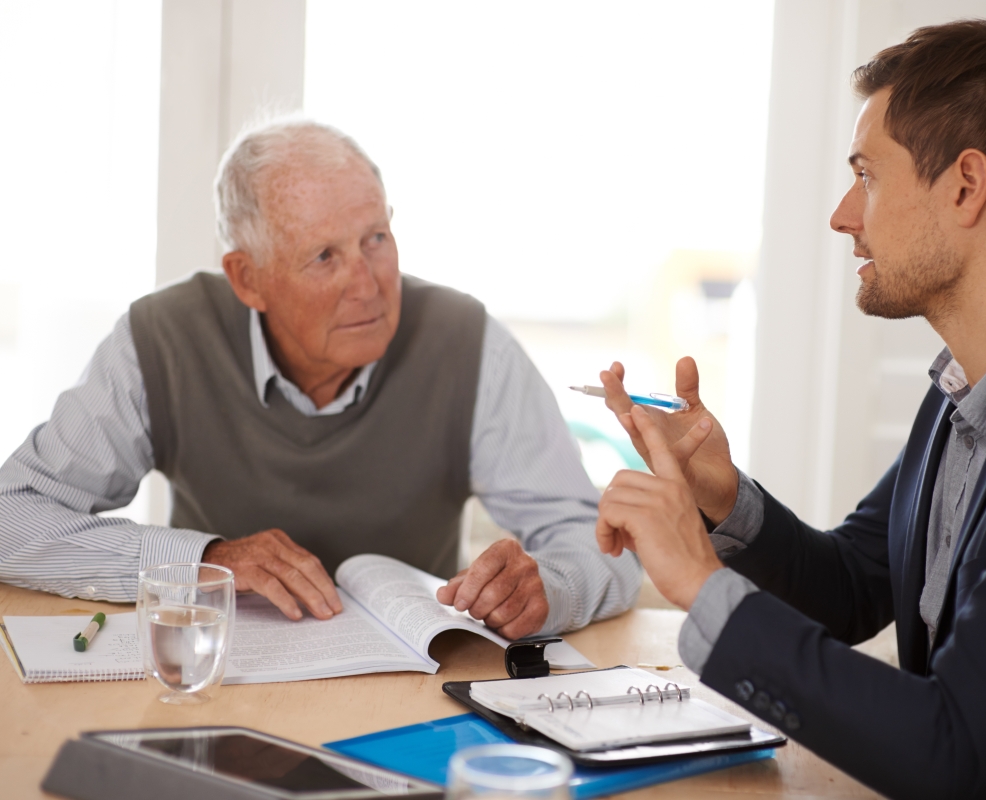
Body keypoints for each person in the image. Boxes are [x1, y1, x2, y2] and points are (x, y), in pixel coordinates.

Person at [594, 20, 986, 799]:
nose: (845, 215)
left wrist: (698, 579)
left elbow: (949, 749)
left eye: (867, 176)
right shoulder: (979, 380)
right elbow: (853, 585)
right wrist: (720, 494)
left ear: (966, 185)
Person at [0, 119, 640, 640]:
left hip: (414, 681)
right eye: (324, 257)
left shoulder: (469, 343)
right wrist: (202, 561)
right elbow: (11, 515)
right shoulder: (161, 338)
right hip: (221, 670)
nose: (367, 285)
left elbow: (597, 543)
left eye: (376, 238)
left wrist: (547, 590)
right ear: (247, 277)